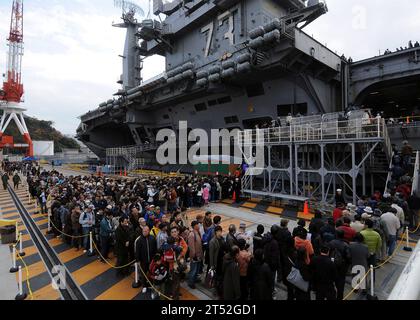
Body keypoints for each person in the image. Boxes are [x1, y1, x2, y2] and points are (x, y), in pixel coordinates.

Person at [328, 229, 351, 300]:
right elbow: (348, 257)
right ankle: (339, 297)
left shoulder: (331, 242)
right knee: (340, 285)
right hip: (342, 267)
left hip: (332, 265)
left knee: (330, 283)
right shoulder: (345, 245)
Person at [135, 225, 157, 290]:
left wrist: (155, 258)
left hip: (152, 260)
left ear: (149, 231)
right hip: (143, 261)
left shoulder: (153, 238)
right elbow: (137, 251)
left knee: (152, 272)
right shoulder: (139, 240)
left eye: (146, 231)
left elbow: (155, 249)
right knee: (143, 274)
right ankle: (144, 286)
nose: (144, 232)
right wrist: (137, 260)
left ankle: (151, 284)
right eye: (143, 231)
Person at [264, 225, 281, 295]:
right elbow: (275, 256)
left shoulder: (266, 237)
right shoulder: (274, 243)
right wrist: (275, 266)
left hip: (266, 262)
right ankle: (271, 291)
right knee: (271, 279)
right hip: (272, 265)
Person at [209, 225, 226, 297]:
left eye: (220, 231)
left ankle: (221, 289)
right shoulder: (212, 241)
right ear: (215, 232)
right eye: (218, 231)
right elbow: (211, 255)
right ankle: (215, 290)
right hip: (216, 262)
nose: (220, 233)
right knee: (216, 278)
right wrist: (212, 265)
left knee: (221, 276)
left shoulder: (222, 239)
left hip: (222, 261)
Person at [187, 221, 203, 289]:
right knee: (193, 270)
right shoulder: (191, 235)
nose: (199, 225)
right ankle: (191, 283)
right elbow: (191, 247)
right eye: (197, 224)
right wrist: (194, 256)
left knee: (197, 269)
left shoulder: (197, 232)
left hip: (199, 255)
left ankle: (195, 279)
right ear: (194, 226)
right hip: (195, 256)